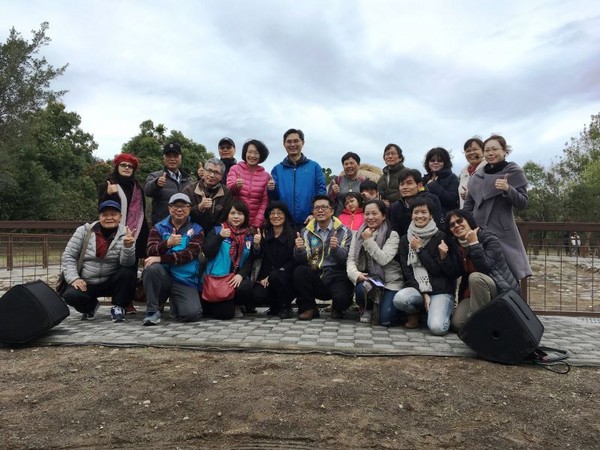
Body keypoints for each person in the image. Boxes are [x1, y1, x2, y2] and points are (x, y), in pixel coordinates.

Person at [463, 135, 532, 281]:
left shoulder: (514, 172)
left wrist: (508, 189)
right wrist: (468, 226)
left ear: (505, 151)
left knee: (508, 275)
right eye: (487, 150)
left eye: (494, 149)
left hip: (503, 232)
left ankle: (510, 303)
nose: (490, 153)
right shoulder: (477, 177)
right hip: (479, 232)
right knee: (481, 274)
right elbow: (468, 205)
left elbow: (523, 203)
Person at [61, 200, 137, 322]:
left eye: (113, 214)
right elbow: (68, 256)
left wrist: (128, 246)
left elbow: (126, 263)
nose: (109, 218)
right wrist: (74, 278)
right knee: (70, 295)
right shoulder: (84, 231)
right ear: (99, 216)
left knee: (128, 273)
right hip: (86, 281)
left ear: (120, 217)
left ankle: (118, 307)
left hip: (111, 280)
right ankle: (90, 307)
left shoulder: (126, 234)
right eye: (104, 215)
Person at [445, 209, 520, 331]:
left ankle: (479, 326)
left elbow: (484, 268)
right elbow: (454, 272)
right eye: (452, 225)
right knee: (457, 324)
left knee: (475, 277)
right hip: (472, 293)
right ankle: (487, 320)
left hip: (498, 289)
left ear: (469, 221)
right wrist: (444, 257)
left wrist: (474, 243)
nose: (457, 226)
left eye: (459, 221)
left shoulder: (488, 238)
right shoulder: (457, 246)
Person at [393, 198, 459, 334]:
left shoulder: (442, 237)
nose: (419, 216)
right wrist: (423, 293)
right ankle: (417, 312)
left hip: (441, 290)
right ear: (411, 215)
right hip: (418, 289)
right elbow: (407, 271)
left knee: (437, 328)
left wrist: (420, 250)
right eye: (416, 212)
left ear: (431, 215)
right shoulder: (406, 239)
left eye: (424, 212)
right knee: (400, 299)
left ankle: (441, 311)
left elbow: (437, 270)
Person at [142, 193, 204, 325]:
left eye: (184, 206)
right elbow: (150, 250)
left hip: (184, 278)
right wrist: (167, 244)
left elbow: (189, 255)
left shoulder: (197, 230)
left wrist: (161, 258)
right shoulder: (158, 228)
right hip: (163, 276)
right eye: (176, 206)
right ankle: (153, 311)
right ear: (169, 208)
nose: (180, 209)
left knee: (191, 314)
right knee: (151, 268)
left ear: (189, 208)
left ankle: (176, 304)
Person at [293, 195, 354, 320]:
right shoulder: (306, 231)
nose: (320, 210)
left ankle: (337, 308)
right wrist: (299, 250)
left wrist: (335, 248)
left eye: (324, 207)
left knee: (343, 297)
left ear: (332, 211)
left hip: (336, 274)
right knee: (300, 271)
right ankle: (309, 308)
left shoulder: (345, 231)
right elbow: (303, 260)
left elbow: (345, 260)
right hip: (315, 273)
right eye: (316, 208)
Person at [346, 199, 404, 325]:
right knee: (361, 288)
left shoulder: (392, 234)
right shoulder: (358, 234)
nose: (370, 217)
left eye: (374, 213)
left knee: (386, 320)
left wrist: (368, 241)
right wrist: (356, 275)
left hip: (390, 282)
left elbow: (383, 259)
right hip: (371, 280)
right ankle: (368, 308)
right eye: (367, 214)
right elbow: (350, 260)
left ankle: (395, 310)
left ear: (383, 216)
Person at [202, 199, 255, 319]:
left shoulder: (248, 235)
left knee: (246, 287)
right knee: (224, 314)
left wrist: (240, 275)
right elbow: (207, 252)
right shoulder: (217, 230)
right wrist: (220, 237)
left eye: (240, 214)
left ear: (245, 216)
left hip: (235, 278)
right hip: (217, 279)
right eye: (233, 213)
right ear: (227, 215)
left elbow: (250, 260)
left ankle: (236, 304)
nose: (236, 217)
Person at [267, 128, 327, 230]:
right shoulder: (277, 169)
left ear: (302, 143)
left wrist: (314, 213)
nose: (292, 145)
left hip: (309, 221)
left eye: (296, 141)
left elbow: (321, 192)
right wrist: (271, 189)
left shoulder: (314, 167)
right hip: (284, 224)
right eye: (289, 142)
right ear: (284, 144)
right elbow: (274, 199)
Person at [250, 201, 297, 319]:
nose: (276, 216)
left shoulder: (293, 235)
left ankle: (285, 306)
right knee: (257, 296)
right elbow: (258, 257)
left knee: (276, 276)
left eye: (279, 213)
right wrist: (256, 245)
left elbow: (293, 260)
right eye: (272, 213)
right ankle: (275, 305)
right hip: (266, 277)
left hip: (286, 276)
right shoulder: (264, 233)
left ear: (285, 215)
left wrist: (271, 275)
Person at [98, 153, 149, 259]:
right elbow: (101, 209)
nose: (127, 168)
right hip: (112, 233)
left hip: (135, 234)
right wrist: (108, 194)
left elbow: (141, 214)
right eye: (123, 165)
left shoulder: (138, 188)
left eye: (130, 166)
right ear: (117, 167)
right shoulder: (109, 184)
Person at [226, 139, 270, 233]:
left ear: (261, 155)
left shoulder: (266, 176)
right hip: (235, 222)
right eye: (249, 152)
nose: (252, 156)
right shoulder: (235, 169)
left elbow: (264, 203)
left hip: (253, 227)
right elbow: (229, 190)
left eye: (256, 153)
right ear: (245, 153)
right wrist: (236, 186)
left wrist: (255, 225)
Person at [144, 142, 192, 225]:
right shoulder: (155, 176)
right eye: (169, 156)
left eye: (175, 156)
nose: (172, 159)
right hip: (161, 226)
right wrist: (156, 184)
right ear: (164, 159)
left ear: (180, 158)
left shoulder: (188, 179)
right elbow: (147, 191)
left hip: (185, 226)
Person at [183, 158, 234, 233]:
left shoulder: (226, 193)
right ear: (204, 171)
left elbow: (224, 219)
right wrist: (199, 208)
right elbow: (182, 214)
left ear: (221, 176)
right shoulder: (189, 190)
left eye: (216, 172)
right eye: (209, 170)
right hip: (191, 231)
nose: (212, 175)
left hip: (216, 233)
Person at [389, 168, 441, 237]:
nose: (405, 187)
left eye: (409, 183)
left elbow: (436, 226)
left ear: (419, 185)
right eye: (402, 184)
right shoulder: (395, 206)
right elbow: (396, 232)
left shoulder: (431, 200)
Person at [422, 147, 459, 222]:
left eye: (440, 160)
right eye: (432, 160)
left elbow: (452, 200)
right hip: (425, 219)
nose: (435, 162)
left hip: (444, 220)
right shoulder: (424, 179)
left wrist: (434, 186)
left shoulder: (452, 178)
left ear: (445, 162)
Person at [458, 138, 485, 208]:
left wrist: (471, 195)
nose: (471, 153)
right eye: (468, 151)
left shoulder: (489, 169)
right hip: (466, 216)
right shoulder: (463, 172)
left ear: (484, 151)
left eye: (475, 149)